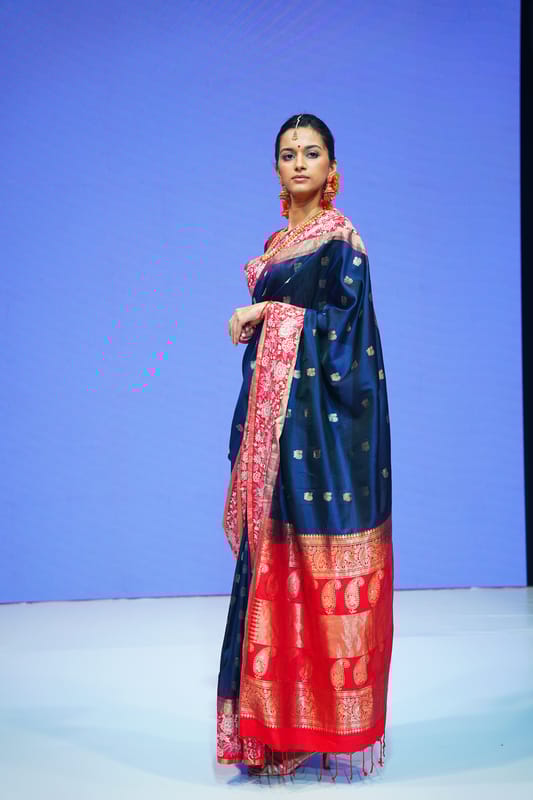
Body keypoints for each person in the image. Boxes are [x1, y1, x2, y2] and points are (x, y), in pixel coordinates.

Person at [216, 114, 393, 777]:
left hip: (317, 429)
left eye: (311, 153)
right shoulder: (278, 242)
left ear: (331, 170)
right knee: (268, 565)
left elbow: (347, 336)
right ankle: (265, 732)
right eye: (288, 154)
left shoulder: (341, 242)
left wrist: (265, 312)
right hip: (272, 429)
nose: (298, 163)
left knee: (305, 566)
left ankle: (306, 727)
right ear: (275, 170)